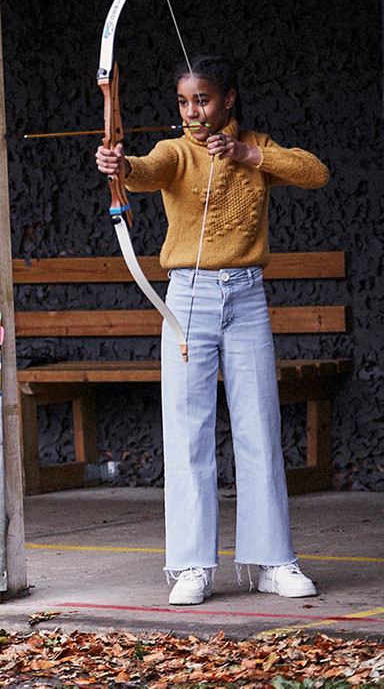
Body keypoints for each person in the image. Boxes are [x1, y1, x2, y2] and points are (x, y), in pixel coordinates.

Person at [95, 55, 328, 606]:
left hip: (245, 294)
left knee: (258, 424)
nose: (193, 111)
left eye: (203, 100)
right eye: (183, 102)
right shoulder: (176, 151)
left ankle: (273, 560)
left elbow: (314, 172)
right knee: (188, 429)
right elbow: (148, 171)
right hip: (187, 301)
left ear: (228, 100)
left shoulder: (257, 147)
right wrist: (120, 166)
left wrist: (249, 153)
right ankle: (191, 566)